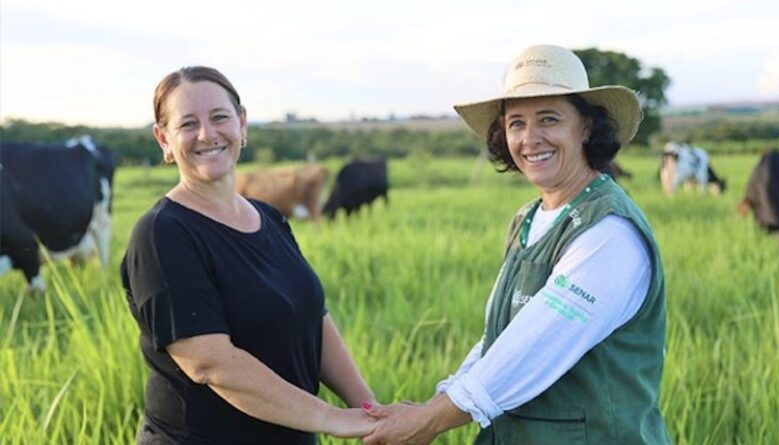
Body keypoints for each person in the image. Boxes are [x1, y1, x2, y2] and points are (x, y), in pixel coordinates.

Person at [362, 44, 672, 444]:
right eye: (516, 124)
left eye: (549, 119)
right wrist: (439, 400)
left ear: (586, 127)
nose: (530, 139)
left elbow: (536, 344)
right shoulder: (528, 220)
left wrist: (431, 419)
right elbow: (504, 339)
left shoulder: (609, 232)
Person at [121, 66, 376, 444]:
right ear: (164, 140)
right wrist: (333, 419)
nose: (207, 134)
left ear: (242, 124)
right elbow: (211, 362)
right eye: (188, 124)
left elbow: (313, 319)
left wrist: (371, 411)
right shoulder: (163, 233)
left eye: (220, 117)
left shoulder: (269, 218)